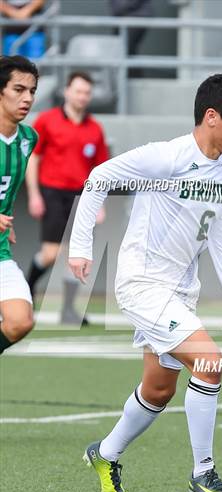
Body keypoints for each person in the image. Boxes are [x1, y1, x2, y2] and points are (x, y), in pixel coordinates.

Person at [69, 72, 222, 492]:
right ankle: (203, 472)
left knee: (158, 390)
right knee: (210, 362)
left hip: (181, 293)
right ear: (212, 117)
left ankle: (104, 454)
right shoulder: (166, 158)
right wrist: (80, 247)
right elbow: (98, 178)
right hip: (143, 284)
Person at [26, 71, 109, 324]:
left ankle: (69, 310)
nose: (82, 96)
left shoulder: (95, 128)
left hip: (81, 197)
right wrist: (34, 195)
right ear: (67, 91)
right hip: (52, 192)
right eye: (78, 91)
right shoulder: (47, 121)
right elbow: (34, 158)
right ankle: (27, 290)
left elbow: (102, 170)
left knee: (76, 254)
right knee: (51, 253)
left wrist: (100, 203)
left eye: (87, 92)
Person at [0, 55, 38, 355]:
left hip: (0, 251)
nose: (27, 98)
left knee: (20, 321)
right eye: (18, 89)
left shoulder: (28, 138)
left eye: (32, 91)